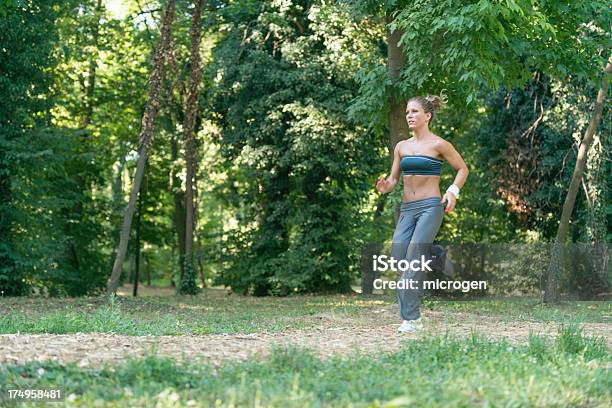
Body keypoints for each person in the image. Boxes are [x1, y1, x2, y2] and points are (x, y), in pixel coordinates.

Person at [375, 94, 469, 333]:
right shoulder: (401, 147)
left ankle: (412, 319)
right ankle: (437, 254)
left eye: (415, 112)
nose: (410, 115)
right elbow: (394, 178)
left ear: (428, 116)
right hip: (407, 208)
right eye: (407, 112)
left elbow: (462, 169)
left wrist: (452, 192)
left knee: (414, 257)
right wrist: (387, 186)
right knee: (398, 256)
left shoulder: (439, 144)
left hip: (430, 206)